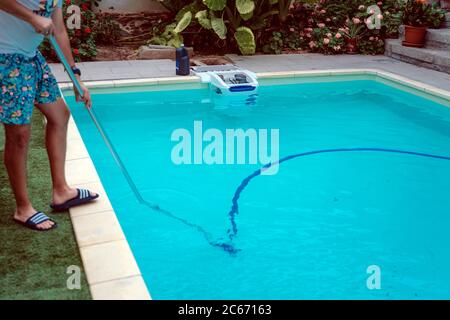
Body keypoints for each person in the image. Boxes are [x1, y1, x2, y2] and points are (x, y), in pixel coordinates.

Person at [0, 0, 98, 231]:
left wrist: (75, 76)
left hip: (31, 58)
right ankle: (23, 208)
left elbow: (59, 29)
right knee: (19, 135)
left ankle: (61, 191)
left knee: (59, 115)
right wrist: (32, 18)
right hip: (5, 60)